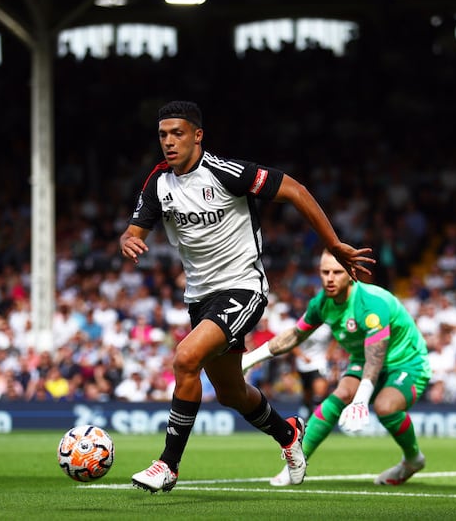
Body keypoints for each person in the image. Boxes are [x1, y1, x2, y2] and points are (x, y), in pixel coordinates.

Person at [119, 100, 373, 493]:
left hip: (243, 287)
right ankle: (288, 433)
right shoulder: (159, 182)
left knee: (186, 359)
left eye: (177, 134)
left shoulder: (226, 172)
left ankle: (167, 465)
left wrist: (335, 244)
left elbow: (296, 190)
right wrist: (129, 240)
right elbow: (136, 229)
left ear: (198, 136)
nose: (169, 142)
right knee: (231, 392)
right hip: (200, 296)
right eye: (163, 135)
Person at [243, 249, 430, 486]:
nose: (330, 278)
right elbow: (294, 336)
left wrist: (361, 400)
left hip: (406, 363)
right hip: (364, 359)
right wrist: (248, 360)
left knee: (385, 406)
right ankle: (296, 464)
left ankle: (413, 459)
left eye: (337, 272)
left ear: (351, 274)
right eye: (325, 272)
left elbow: (376, 357)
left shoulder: (371, 303)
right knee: (339, 394)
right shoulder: (322, 303)